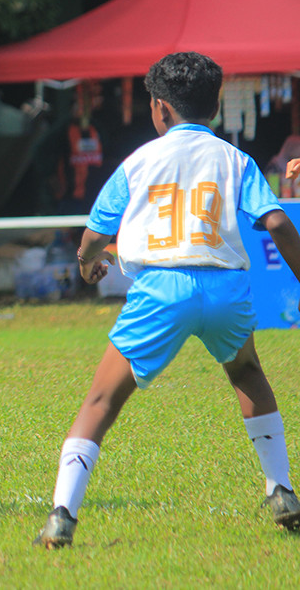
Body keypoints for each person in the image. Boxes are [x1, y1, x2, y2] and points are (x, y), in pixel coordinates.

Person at [34, 52, 300, 550]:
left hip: (160, 290)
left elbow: (95, 235)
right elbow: (279, 222)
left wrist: (87, 262)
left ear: (159, 108)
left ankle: (62, 514)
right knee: (248, 374)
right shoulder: (235, 159)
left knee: (101, 401)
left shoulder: (137, 162)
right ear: (216, 106)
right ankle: (281, 490)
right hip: (225, 288)